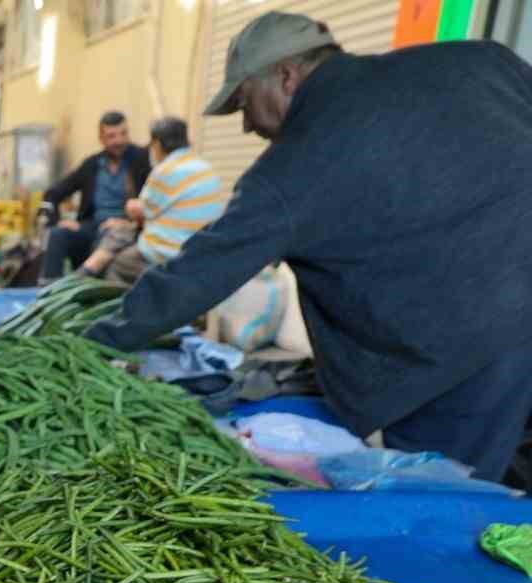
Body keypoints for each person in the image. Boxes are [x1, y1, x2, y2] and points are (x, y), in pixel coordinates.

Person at [87, 14, 532, 481]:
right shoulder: (479, 60)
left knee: (450, 507)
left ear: (285, 74)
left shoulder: (296, 165)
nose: (245, 126)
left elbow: (197, 274)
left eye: (243, 103)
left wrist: (92, 344)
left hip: (467, 358)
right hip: (500, 325)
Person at [78, 117, 223, 285]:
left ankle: (93, 275)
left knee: (117, 264)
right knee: (121, 230)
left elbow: (143, 211)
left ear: (157, 144)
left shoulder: (165, 169)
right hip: (200, 248)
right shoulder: (205, 168)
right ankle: (90, 267)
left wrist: (129, 206)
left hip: (168, 251)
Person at [39, 111, 152, 281]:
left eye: (123, 134)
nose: (119, 141)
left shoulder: (142, 160)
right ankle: (48, 294)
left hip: (126, 229)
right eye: (112, 136)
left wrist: (131, 221)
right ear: (101, 139)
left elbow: (155, 200)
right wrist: (57, 220)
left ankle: (84, 290)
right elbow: (53, 193)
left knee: (105, 237)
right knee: (57, 235)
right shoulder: (91, 165)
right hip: (92, 225)